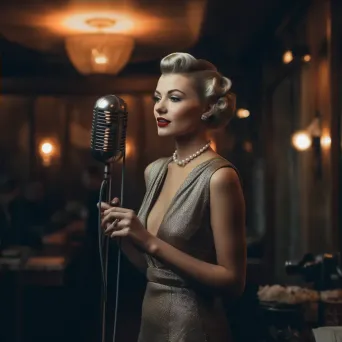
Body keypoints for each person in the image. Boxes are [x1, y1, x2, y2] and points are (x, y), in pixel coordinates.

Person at [100, 52, 246, 342]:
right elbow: (154, 271)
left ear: (206, 107)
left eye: (175, 98)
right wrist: (125, 239)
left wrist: (149, 241)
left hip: (194, 328)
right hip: (150, 324)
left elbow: (233, 283)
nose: (160, 108)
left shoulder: (219, 177)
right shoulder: (154, 171)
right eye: (157, 98)